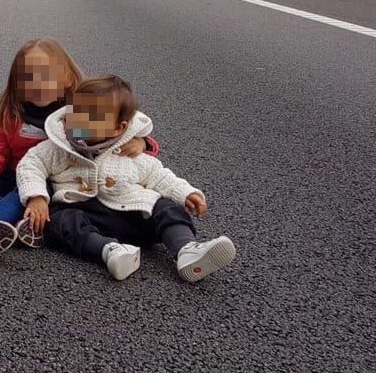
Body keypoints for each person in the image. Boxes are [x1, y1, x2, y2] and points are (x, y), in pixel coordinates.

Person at [16, 75, 236, 282]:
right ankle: (109, 250)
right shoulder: (57, 146)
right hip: (86, 211)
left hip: (133, 213)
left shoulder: (128, 149)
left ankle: (186, 249)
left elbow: (158, 175)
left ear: (117, 128)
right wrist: (37, 197)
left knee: (165, 207)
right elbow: (30, 165)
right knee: (60, 221)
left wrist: (185, 192)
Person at [0, 39, 157, 255]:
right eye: (27, 78)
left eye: (46, 76)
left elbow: (115, 131)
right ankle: (33, 219)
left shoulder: (78, 111)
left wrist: (141, 142)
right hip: (14, 174)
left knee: (27, 189)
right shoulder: (12, 115)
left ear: (67, 78)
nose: (37, 83)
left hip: (53, 180)